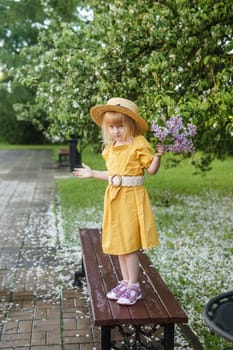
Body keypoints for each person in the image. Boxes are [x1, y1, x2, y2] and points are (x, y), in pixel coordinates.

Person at [73, 97, 164, 306]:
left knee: (129, 244)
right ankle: (125, 281)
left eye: (120, 126)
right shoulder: (112, 147)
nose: (115, 131)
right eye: (111, 127)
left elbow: (151, 170)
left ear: (130, 124)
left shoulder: (138, 144)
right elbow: (113, 175)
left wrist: (158, 156)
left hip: (132, 199)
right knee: (121, 244)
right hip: (115, 198)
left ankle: (135, 286)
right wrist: (91, 173)